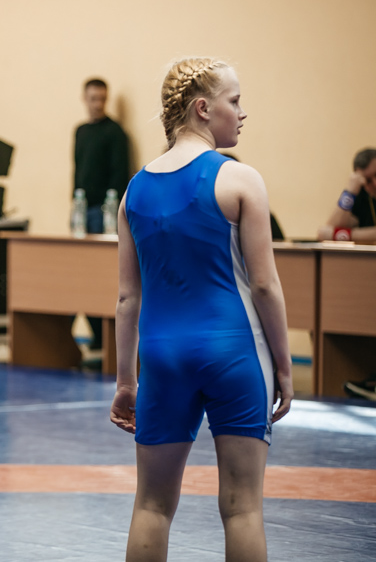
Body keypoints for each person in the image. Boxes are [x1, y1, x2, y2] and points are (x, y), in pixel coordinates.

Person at [110, 58, 293, 562]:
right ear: (203, 108)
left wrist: (126, 381)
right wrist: (283, 366)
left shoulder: (134, 191)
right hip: (233, 351)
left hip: (162, 357)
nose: (242, 112)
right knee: (242, 509)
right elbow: (265, 286)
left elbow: (127, 299)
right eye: (235, 101)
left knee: (151, 505)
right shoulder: (241, 180)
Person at [73, 77, 130, 351]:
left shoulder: (115, 133)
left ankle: (105, 339)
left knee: (100, 275)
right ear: (85, 99)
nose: (97, 104)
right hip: (81, 210)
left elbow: (120, 175)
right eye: (93, 98)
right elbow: (77, 170)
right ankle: (93, 333)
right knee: (80, 274)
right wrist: (75, 206)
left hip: (103, 213)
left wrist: (113, 213)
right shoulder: (80, 131)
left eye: (102, 99)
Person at [317, 147, 376, 243]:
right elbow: (326, 232)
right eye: (368, 180)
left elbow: (331, 233)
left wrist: (340, 235)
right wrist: (349, 192)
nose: (375, 183)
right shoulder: (363, 196)